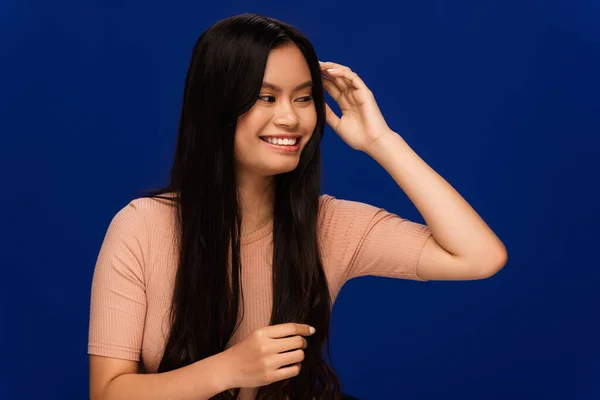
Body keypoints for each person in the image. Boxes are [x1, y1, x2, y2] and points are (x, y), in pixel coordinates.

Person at [87, 13, 507, 400]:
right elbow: (107, 393)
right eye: (266, 98)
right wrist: (228, 369)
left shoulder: (330, 225)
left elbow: (480, 256)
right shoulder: (141, 226)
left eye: (304, 98)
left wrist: (382, 143)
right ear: (217, 107)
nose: (290, 118)